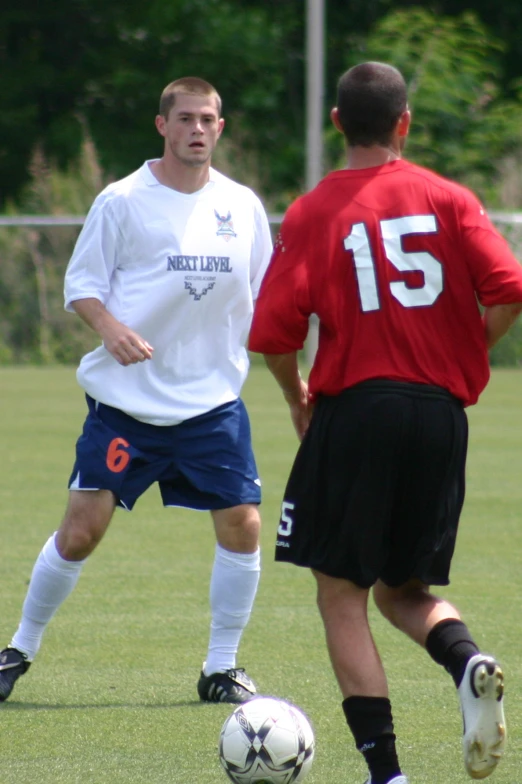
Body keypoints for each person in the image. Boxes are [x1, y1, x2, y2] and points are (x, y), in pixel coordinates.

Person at [248, 62, 522, 784]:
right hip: (439, 416)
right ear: (404, 123)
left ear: (336, 123)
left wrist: (297, 394)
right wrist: (463, 351)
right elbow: (510, 287)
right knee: (405, 591)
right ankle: (466, 662)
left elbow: (273, 333)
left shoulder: (313, 211)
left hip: (359, 409)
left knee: (341, 593)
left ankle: (388, 774)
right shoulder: (450, 198)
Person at [0, 76, 273, 705]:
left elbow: (268, 291)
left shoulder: (243, 207)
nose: (197, 129)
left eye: (207, 119)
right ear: (163, 125)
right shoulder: (123, 200)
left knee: (242, 524)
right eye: (185, 118)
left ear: (220, 128)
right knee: (82, 530)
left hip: (212, 406)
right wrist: (111, 328)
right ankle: (18, 648)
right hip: (128, 404)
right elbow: (81, 285)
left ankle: (222, 668)